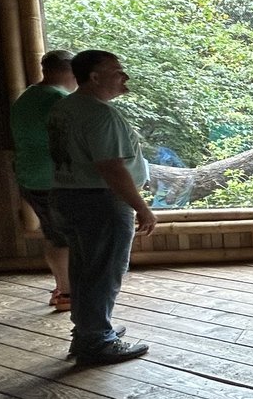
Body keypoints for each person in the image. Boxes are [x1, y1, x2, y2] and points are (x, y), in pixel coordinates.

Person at [47, 50, 155, 365]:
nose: (125, 77)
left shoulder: (64, 108)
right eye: (117, 71)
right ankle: (96, 341)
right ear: (94, 77)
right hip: (100, 202)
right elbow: (111, 168)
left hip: (67, 196)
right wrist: (142, 208)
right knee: (104, 272)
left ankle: (89, 330)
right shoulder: (100, 115)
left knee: (83, 270)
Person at [9, 49, 76, 311]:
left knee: (52, 235)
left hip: (29, 176)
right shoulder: (59, 99)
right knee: (65, 239)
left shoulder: (26, 97)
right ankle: (68, 295)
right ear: (70, 71)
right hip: (54, 179)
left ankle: (62, 287)